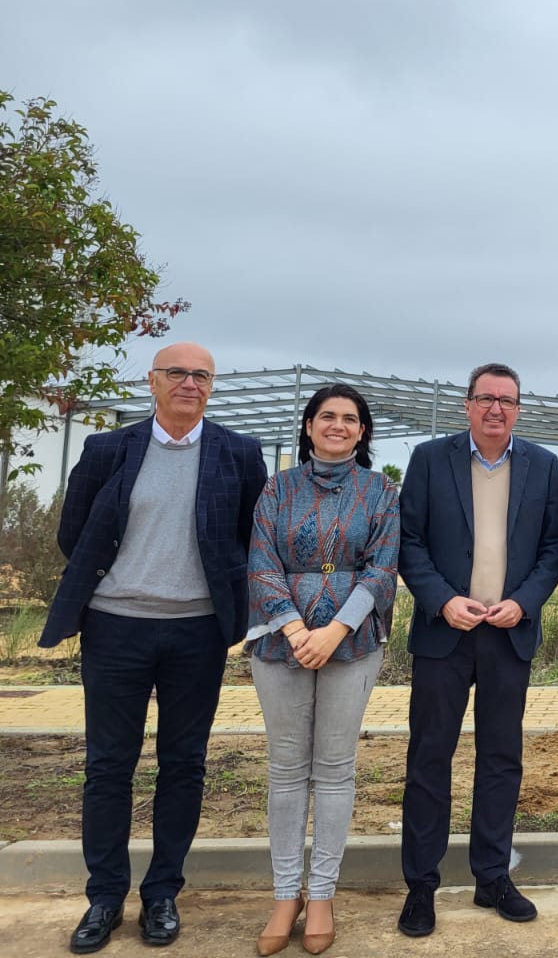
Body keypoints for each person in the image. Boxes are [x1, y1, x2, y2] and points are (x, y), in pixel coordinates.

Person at [41, 342, 268, 955]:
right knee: (109, 765)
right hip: (116, 626)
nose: (189, 383)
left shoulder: (240, 454)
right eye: (177, 373)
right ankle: (105, 897)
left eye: (201, 375)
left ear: (212, 387)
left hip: (198, 632)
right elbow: (75, 531)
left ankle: (162, 891)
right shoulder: (108, 448)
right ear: (152, 382)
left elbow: (250, 539)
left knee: (184, 763)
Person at [395, 363, 558, 938]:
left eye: (507, 400)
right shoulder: (429, 459)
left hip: (507, 632)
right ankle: (421, 886)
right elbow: (409, 541)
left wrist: (526, 601)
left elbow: (553, 547)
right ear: (468, 404)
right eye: (486, 398)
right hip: (445, 633)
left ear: (520, 408)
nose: (496, 409)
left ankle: (492, 876)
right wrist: (442, 600)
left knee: (501, 760)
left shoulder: (543, 465)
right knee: (428, 761)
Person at [245, 384, 399, 955]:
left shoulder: (381, 492)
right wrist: (294, 628)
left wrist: (335, 630)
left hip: (353, 644)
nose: (338, 425)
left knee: (335, 769)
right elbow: (261, 563)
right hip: (279, 642)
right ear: (308, 426)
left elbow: (383, 569)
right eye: (327, 416)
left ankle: (324, 893)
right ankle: (286, 894)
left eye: (350, 419)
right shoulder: (276, 489)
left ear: (363, 432)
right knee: (286, 769)